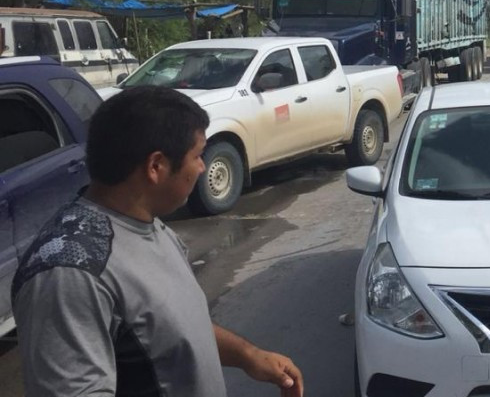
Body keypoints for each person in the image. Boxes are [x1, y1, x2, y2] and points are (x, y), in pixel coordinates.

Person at [12, 86, 304, 396]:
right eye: (197, 155)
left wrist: (247, 355)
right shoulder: (71, 273)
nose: (203, 167)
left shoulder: (148, 225)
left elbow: (167, 332)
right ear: (156, 166)